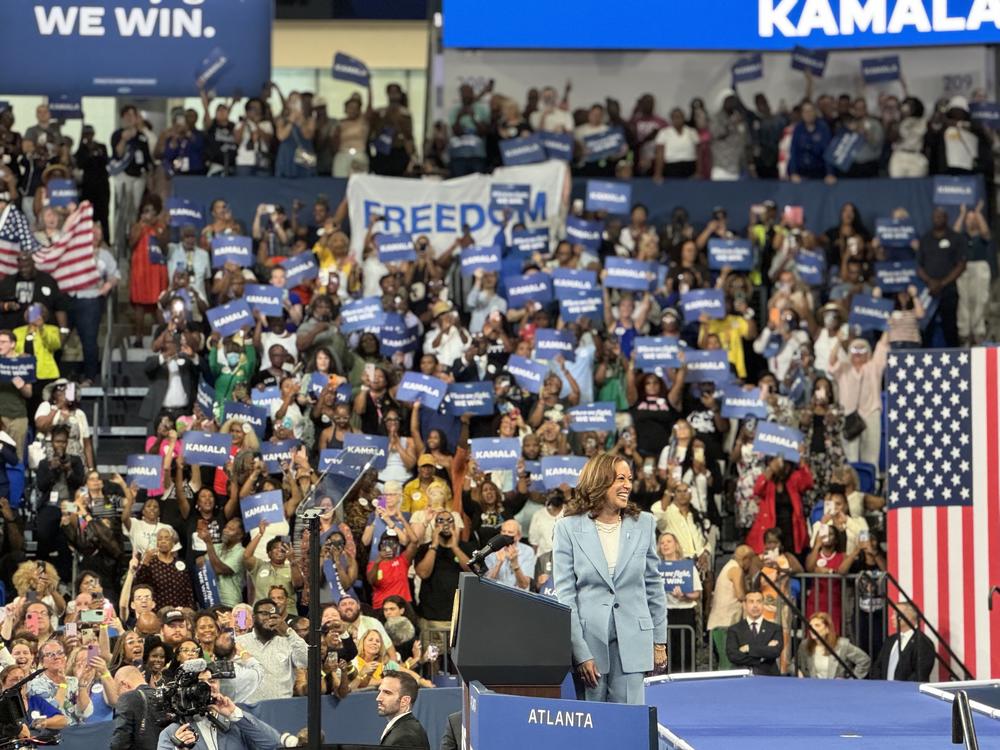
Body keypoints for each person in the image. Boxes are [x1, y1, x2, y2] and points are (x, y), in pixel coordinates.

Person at [552, 452, 667, 704]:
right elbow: (566, 597)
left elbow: (654, 586)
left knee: (627, 728)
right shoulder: (567, 528)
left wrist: (659, 640)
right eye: (620, 479)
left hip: (633, 641)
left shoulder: (644, 523)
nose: (628, 485)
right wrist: (580, 653)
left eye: (629, 479)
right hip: (589, 643)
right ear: (600, 481)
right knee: (593, 729)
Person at [157, 666, 282, 750]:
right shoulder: (173, 733)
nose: (208, 686)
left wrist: (234, 713)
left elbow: (273, 743)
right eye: (200, 682)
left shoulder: (236, 723)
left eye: (212, 681)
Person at [234, 598, 308, 702]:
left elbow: (306, 661)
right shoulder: (239, 643)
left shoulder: (288, 642)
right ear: (254, 617)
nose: (269, 618)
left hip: (280, 708)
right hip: (248, 710)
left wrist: (288, 632)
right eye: (264, 613)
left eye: (273, 615)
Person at [796, 611, 871, 679]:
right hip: (812, 688)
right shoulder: (804, 645)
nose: (812, 629)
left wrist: (850, 681)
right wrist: (798, 672)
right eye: (811, 626)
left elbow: (864, 661)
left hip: (836, 689)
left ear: (827, 629)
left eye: (817, 625)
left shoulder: (842, 645)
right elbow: (794, 664)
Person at [871, 602, 935, 682]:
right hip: (885, 691)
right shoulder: (890, 640)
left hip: (907, 692)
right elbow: (878, 666)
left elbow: (920, 674)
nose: (892, 617)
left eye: (896, 614)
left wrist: (900, 689)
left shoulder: (923, 643)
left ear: (909, 617)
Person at [725, 590, 783, 676]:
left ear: (763, 604)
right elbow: (733, 656)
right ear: (744, 605)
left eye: (759, 601)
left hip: (768, 676)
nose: (755, 606)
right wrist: (762, 657)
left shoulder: (774, 628)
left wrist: (749, 648)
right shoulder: (734, 629)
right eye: (751, 602)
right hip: (742, 676)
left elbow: (775, 652)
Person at [110, 666, 160, 750]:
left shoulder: (127, 698)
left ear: (124, 684)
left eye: (118, 692)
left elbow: (120, 741)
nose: (119, 696)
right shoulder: (163, 697)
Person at [377, 670, 430, 749]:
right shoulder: (401, 728)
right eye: (379, 691)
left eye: (387, 693)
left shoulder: (406, 736)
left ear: (405, 701)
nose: (378, 698)